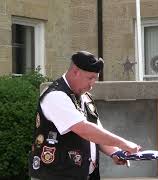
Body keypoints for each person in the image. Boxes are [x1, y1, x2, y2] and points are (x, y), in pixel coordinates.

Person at [29, 51, 141, 180]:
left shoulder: (85, 97)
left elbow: (97, 133)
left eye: (95, 79)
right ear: (75, 71)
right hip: (55, 175)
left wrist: (115, 152)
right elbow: (84, 129)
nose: (92, 84)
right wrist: (124, 144)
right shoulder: (55, 95)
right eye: (90, 78)